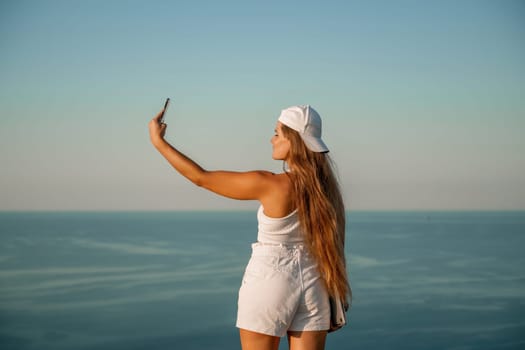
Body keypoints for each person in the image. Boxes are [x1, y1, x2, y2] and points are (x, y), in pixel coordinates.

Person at [148, 104, 351, 350]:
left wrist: (158, 142)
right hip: (315, 283)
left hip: (271, 278)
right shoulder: (328, 192)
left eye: (277, 133)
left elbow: (201, 177)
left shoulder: (270, 184)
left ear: (293, 141)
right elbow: (335, 246)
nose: (271, 139)